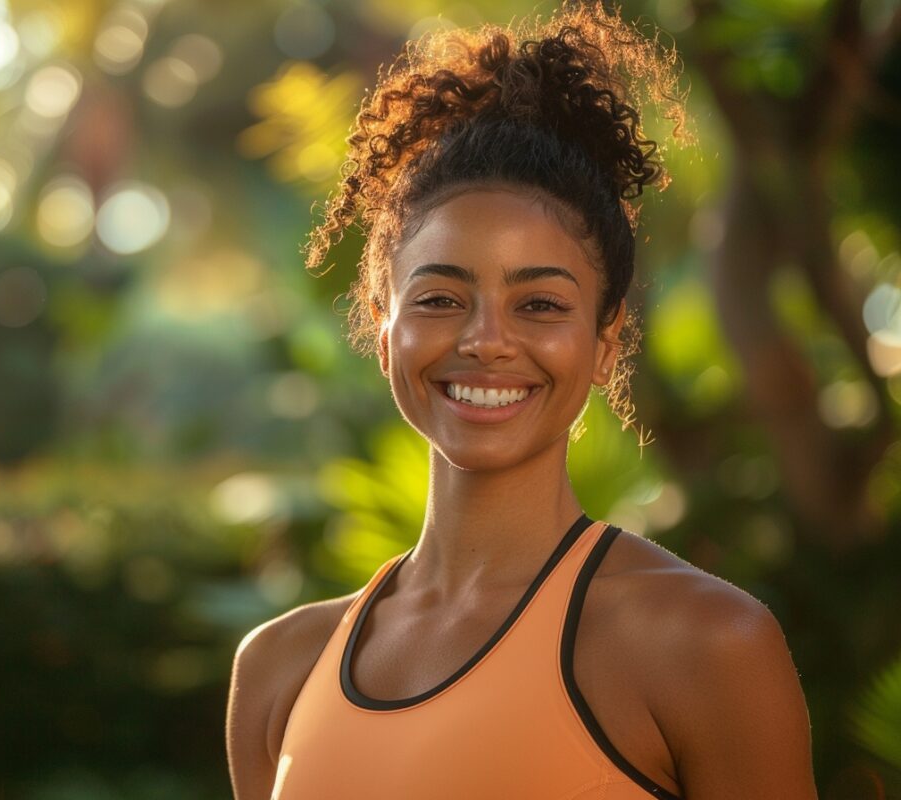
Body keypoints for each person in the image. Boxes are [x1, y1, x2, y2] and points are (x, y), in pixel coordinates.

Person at [225, 3, 817, 798]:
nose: (486, 341)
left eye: (540, 304)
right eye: (439, 298)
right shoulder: (280, 669)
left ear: (607, 342)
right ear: (380, 319)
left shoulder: (705, 644)